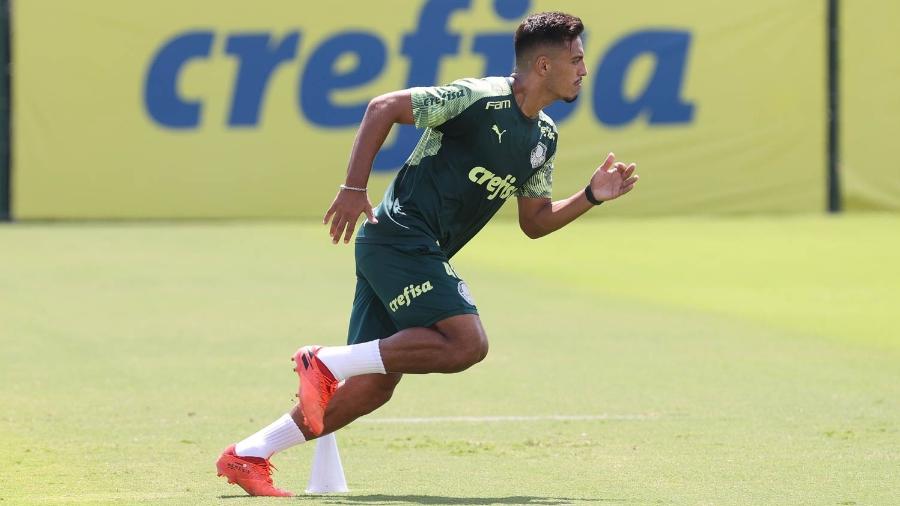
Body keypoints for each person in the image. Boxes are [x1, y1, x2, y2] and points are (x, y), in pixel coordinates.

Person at [216, 11, 638, 496]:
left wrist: (590, 196)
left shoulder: (544, 136)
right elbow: (383, 107)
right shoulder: (479, 98)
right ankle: (324, 360)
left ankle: (248, 453)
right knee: (466, 344)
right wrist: (353, 187)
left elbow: (534, 221)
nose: (584, 69)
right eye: (578, 58)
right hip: (399, 235)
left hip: (406, 248)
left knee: (373, 385)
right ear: (544, 65)